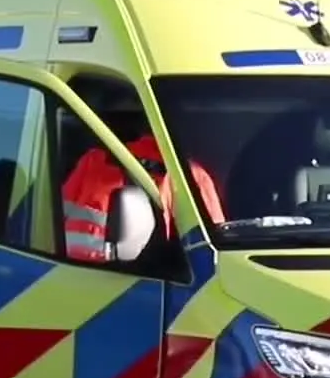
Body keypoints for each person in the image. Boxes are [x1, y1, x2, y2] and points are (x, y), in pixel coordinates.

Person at [60, 81, 224, 260]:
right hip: (135, 273)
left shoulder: (94, 159)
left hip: (67, 270)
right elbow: (210, 248)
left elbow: (49, 220)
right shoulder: (190, 175)